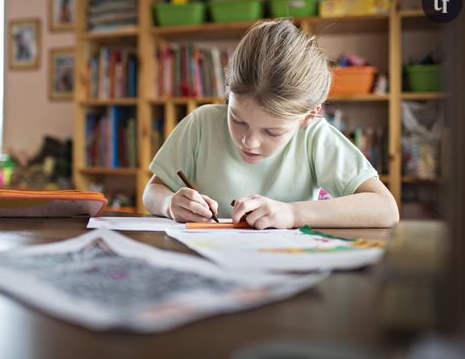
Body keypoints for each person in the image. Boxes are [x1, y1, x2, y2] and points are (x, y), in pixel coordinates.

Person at [143, 20, 399, 229]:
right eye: (238, 120)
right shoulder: (201, 123)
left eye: (272, 131)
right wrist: (169, 204)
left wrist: (292, 213)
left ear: (309, 116)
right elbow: (153, 190)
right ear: (228, 93)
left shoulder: (314, 136)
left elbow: (385, 209)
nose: (249, 142)